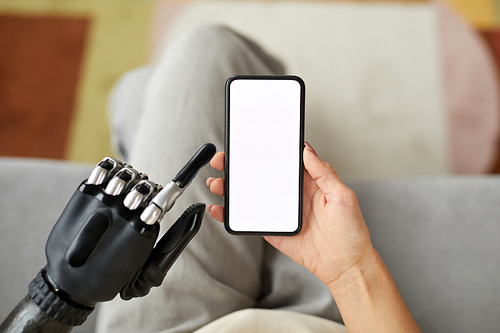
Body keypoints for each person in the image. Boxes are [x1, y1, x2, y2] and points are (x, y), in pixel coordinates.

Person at [97, 24, 420, 332]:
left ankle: (248, 73)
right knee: (164, 78)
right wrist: (349, 269)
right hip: (328, 316)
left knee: (173, 67)